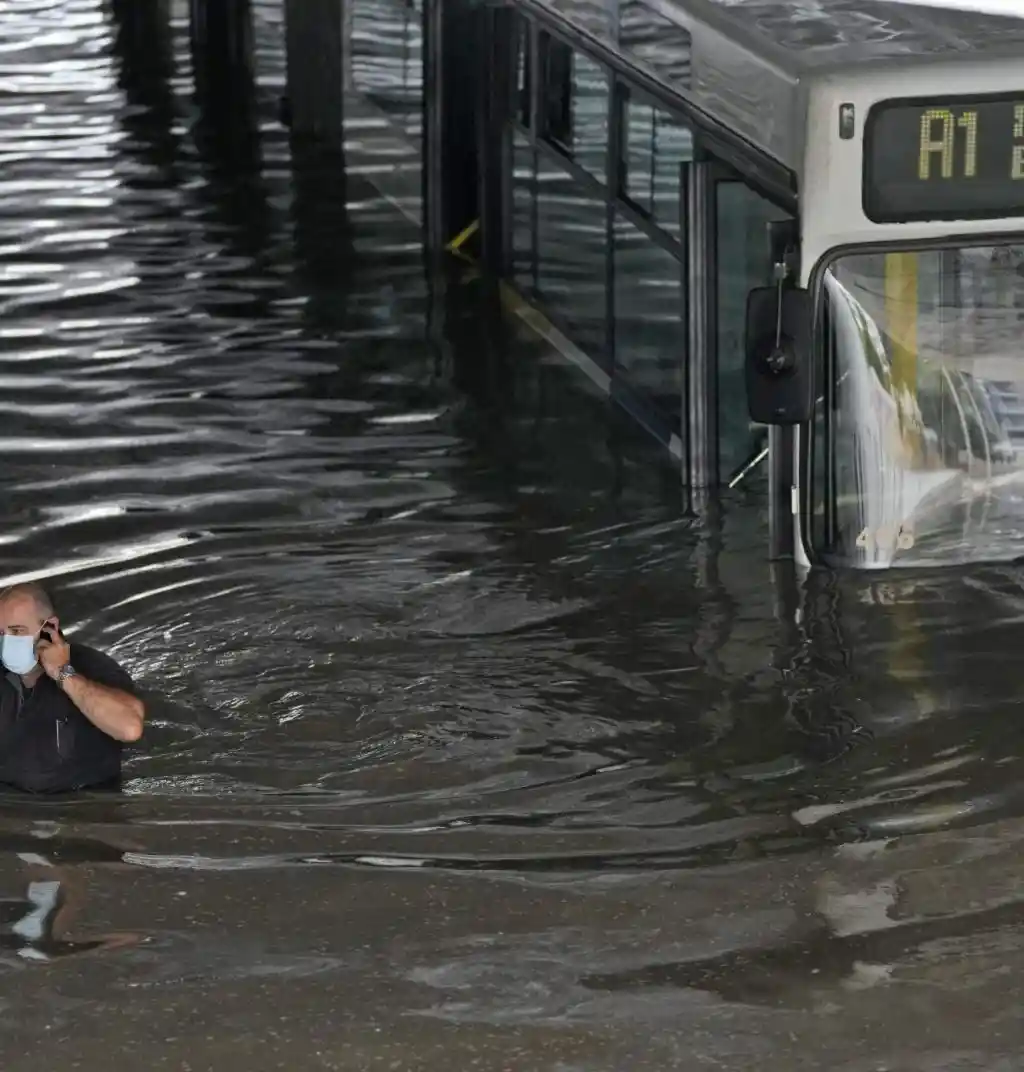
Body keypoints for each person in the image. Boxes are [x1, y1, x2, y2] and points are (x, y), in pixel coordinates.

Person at [0, 582, 145, 793]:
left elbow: (130, 728)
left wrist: (64, 674)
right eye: (1, 633)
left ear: (49, 628)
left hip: (81, 804)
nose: (6, 642)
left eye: (16, 631)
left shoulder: (92, 667)